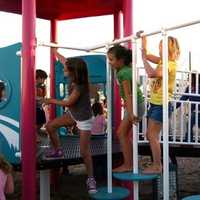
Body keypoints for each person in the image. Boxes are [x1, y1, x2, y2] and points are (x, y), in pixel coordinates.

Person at [43, 48, 97, 194]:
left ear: (73, 72)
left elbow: (69, 102)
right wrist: (54, 51)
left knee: (84, 151)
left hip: (84, 119)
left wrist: (50, 100)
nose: (63, 69)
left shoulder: (80, 86)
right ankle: (58, 150)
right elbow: (63, 60)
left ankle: (91, 178)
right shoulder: (73, 74)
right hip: (73, 114)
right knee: (50, 126)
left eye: (66, 69)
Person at [137, 31, 180, 173]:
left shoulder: (170, 65)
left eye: (162, 47)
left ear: (170, 50)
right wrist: (144, 40)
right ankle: (156, 164)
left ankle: (157, 165)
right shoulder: (162, 61)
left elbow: (153, 74)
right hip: (155, 103)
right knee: (150, 135)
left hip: (162, 104)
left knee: (152, 135)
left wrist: (144, 62)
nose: (160, 49)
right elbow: (147, 55)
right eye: (160, 46)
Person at [107, 44, 145, 172]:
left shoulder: (123, 73)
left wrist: (131, 112)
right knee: (124, 134)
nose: (109, 62)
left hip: (134, 104)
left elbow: (128, 95)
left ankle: (128, 164)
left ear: (121, 60)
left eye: (111, 59)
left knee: (121, 133)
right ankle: (132, 162)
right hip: (136, 104)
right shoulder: (127, 69)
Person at [176, 72, 200, 142]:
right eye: (188, 77)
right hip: (195, 112)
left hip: (197, 111)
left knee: (190, 124)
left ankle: (189, 141)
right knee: (189, 124)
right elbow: (182, 99)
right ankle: (188, 141)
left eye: (189, 77)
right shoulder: (189, 88)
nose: (188, 79)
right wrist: (173, 107)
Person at [36, 69, 48, 142]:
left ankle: (38, 130)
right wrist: (43, 99)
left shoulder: (40, 87)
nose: (44, 81)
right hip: (34, 108)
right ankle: (34, 134)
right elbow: (33, 97)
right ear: (39, 78)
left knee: (42, 122)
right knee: (36, 123)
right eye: (43, 79)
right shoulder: (31, 86)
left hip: (39, 107)